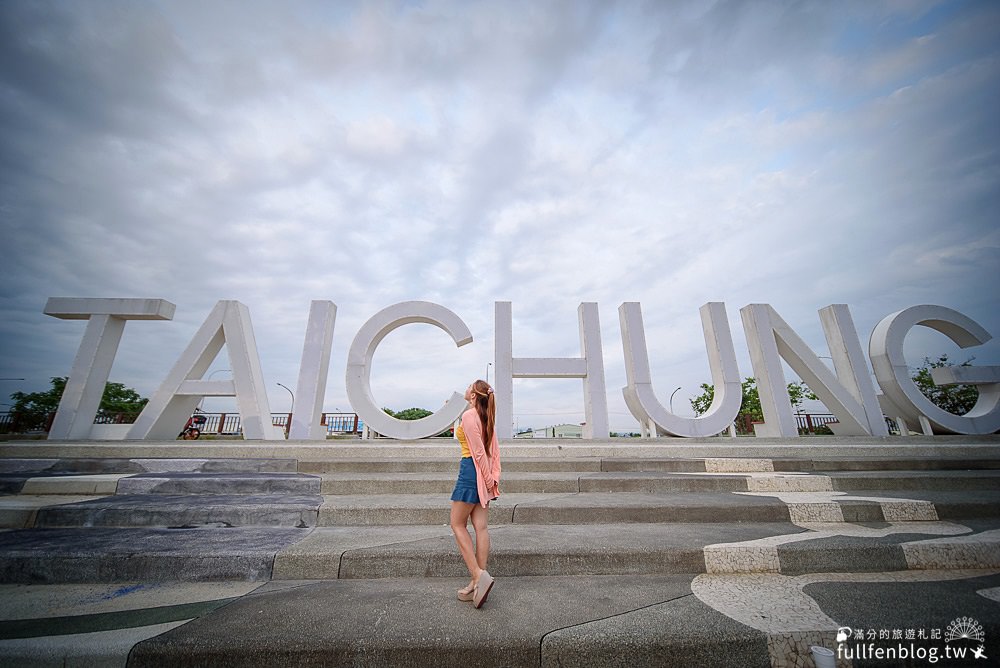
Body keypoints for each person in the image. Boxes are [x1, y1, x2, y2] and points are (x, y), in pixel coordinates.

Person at [449, 379, 501, 608]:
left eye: (469, 385)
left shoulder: (470, 416)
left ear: (473, 395)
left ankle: (478, 575)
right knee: (481, 527)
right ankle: (477, 583)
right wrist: (493, 479)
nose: (466, 387)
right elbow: (495, 453)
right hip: (482, 474)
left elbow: (480, 453)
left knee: (457, 524)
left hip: (472, 472)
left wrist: (490, 481)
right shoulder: (486, 417)